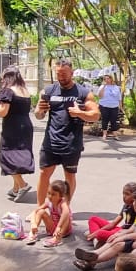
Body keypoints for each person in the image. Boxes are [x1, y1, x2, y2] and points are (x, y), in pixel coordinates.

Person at [34, 58, 99, 206]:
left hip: (71, 143)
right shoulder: (48, 91)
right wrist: (40, 110)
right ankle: (40, 209)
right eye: (58, 74)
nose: (61, 77)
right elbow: (38, 115)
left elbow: (95, 116)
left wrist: (79, 113)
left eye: (64, 74)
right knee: (44, 173)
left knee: (69, 175)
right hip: (51, 140)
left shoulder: (83, 93)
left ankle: (65, 208)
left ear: (72, 72)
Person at [0, 66, 35, 201]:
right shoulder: (25, 91)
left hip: (13, 127)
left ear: (7, 78)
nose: (2, 81)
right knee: (18, 154)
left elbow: (3, 112)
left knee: (5, 155)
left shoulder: (8, 91)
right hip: (26, 126)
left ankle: (22, 185)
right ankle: (16, 188)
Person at [87, 181, 136, 248]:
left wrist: (97, 232)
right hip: (120, 229)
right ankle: (97, 239)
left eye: (127, 194)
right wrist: (96, 232)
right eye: (123, 193)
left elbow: (134, 229)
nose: (124, 196)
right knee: (93, 219)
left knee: (100, 233)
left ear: (134, 196)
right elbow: (113, 223)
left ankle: (97, 238)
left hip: (125, 232)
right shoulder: (126, 206)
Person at [27, 178, 72, 247]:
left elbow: (66, 213)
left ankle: (57, 239)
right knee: (41, 211)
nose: (50, 196)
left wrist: (59, 227)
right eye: (49, 193)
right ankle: (33, 233)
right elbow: (35, 211)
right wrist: (33, 224)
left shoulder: (62, 203)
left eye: (53, 194)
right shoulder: (49, 203)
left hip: (64, 230)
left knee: (67, 217)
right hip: (53, 228)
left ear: (61, 196)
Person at [95, 73, 123, 140]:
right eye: (105, 79)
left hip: (114, 106)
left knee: (114, 121)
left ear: (111, 79)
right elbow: (100, 96)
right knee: (105, 120)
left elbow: (119, 98)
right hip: (104, 106)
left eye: (108, 78)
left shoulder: (116, 87)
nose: (107, 80)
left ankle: (115, 135)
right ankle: (104, 134)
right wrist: (104, 87)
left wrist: (120, 106)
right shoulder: (102, 87)